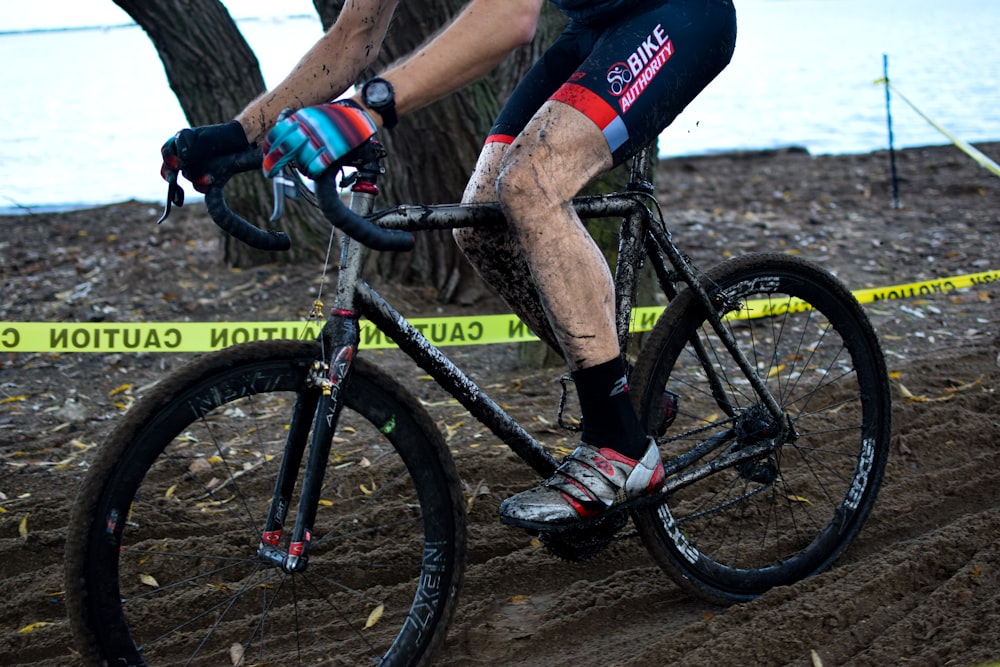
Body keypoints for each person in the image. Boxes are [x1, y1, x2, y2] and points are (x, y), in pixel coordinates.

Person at [162, 0, 737, 531]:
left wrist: (368, 109)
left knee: (531, 183)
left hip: (678, 12)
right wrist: (239, 132)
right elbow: (352, 38)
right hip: (595, 28)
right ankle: (625, 395)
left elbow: (509, 17)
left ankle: (619, 445)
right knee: (478, 224)